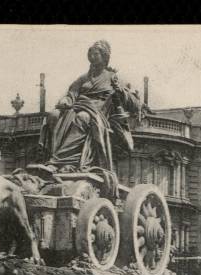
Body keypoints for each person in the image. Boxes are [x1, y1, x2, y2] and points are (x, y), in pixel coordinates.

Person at [39, 40, 145, 174]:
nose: (92, 57)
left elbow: (135, 105)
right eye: (91, 54)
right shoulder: (83, 78)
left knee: (82, 117)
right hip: (78, 107)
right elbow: (72, 94)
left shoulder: (113, 78)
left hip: (98, 114)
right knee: (54, 115)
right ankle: (50, 157)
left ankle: (57, 161)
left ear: (105, 56)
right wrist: (65, 100)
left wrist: (120, 91)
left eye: (96, 54)